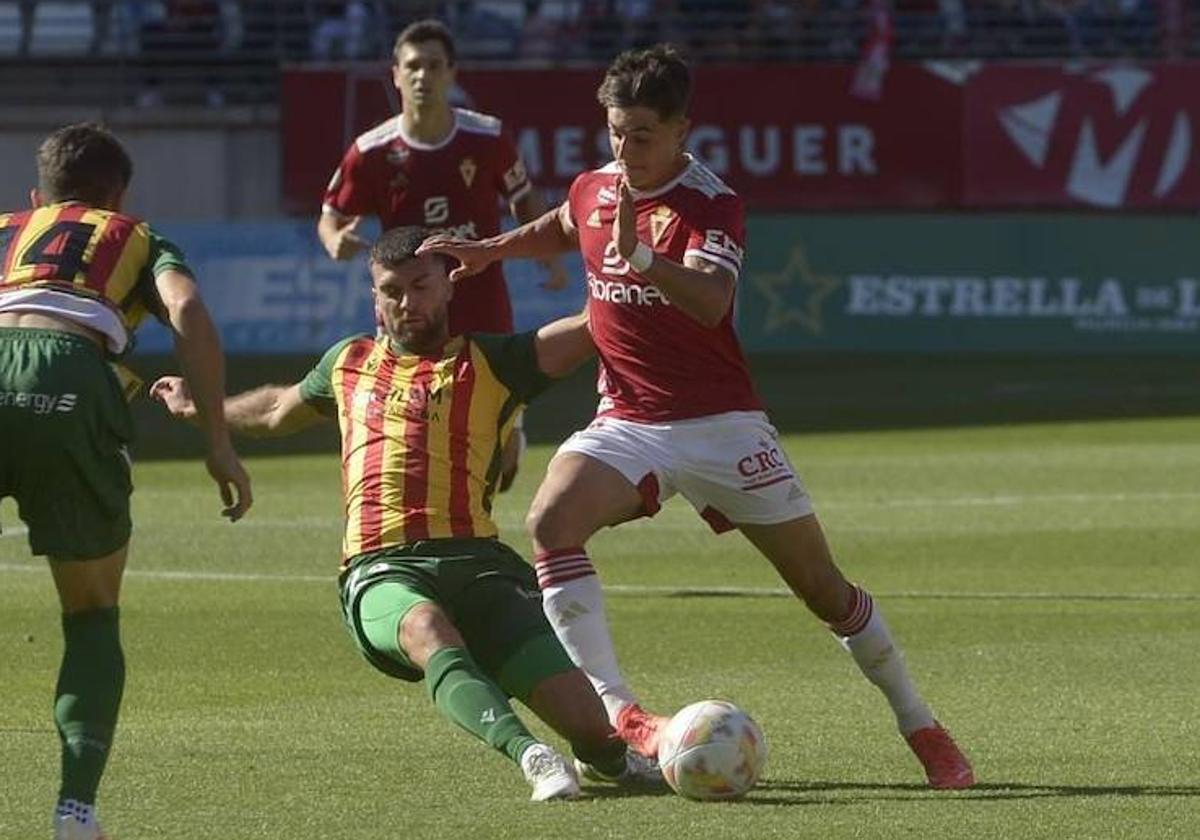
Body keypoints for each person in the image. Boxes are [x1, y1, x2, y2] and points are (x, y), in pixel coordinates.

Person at [418, 44, 976, 790]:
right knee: (551, 520)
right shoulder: (598, 187)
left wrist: (642, 257)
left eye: (642, 134)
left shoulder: (710, 203)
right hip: (629, 421)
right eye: (615, 131)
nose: (625, 149)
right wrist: (492, 250)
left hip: (723, 425)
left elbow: (712, 301)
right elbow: (563, 219)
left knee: (823, 589)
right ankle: (621, 714)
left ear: (683, 129)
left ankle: (920, 724)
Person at [151, 226, 661, 803]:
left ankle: (608, 761)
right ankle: (532, 755)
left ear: (448, 286)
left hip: (481, 567)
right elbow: (275, 408)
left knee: (591, 726)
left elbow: (594, 326)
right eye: (390, 290)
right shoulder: (347, 362)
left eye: (420, 286)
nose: (405, 302)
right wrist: (200, 409)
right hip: (381, 570)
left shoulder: (494, 361)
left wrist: (645, 272)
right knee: (425, 628)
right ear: (374, 297)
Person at [0, 123, 253, 840]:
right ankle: (74, 811)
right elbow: (189, 312)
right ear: (117, 196)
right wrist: (217, 443)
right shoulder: (136, 235)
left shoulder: (8, 227)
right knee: (89, 614)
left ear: (37, 197)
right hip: (70, 376)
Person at [318, 18, 567, 492]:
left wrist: (547, 254)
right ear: (395, 73)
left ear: (452, 73)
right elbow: (330, 215)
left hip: (481, 299)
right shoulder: (370, 152)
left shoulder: (488, 138)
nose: (422, 76)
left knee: (495, 433)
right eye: (412, 66)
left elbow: (524, 198)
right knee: (410, 424)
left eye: (433, 65)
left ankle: (509, 435)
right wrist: (335, 241)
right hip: (409, 306)